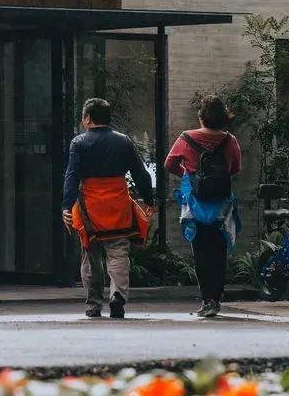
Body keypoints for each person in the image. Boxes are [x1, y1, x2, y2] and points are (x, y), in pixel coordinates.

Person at [60, 97, 155, 319]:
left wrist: (66, 205)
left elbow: (71, 176)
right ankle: (117, 296)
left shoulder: (79, 143)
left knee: (90, 254)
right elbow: (140, 173)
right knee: (119, 252)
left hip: (89, 207)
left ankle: (93, 304)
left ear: (87, 118)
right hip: (118, 205)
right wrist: (148, 199)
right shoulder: (123, 141)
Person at [163, 95, 243, 319]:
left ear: (201, 118)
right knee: (219, 250)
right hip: (221, 204)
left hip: (195, 202)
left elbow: (169, 164)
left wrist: (190, 175)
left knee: (200, 250)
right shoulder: (230, 141)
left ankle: (206, 299)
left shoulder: (186, 138)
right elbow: (236, 170)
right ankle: (215, 299)